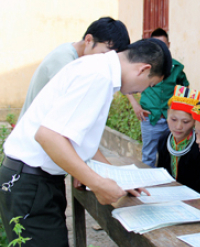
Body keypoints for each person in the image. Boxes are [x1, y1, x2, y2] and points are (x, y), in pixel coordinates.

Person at [0, 38, 172, 246]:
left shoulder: (99, 70)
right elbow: (49, 137)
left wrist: (115, 180)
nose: (142, 91)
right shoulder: (98, 76)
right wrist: (97, 184)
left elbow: (78, 141)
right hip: (31, 183)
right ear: (143, 70)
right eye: (149, 84)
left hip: (32, 181)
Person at [18, 17, 130, 120]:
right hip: (33, 135)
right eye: (103, 54)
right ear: (88, 40)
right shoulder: (64, 60)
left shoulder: (79, 58)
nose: (106, 62)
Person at [126, 28, 189, 167]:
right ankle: (147, 187)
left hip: (171, 121)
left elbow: (184, 89)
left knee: (172, 154)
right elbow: (126, 84)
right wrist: (135, 105)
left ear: (169, 45)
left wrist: (178, 114)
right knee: (149, 156)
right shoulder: (143, 67)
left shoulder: (177, 68)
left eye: (164, 45)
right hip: (150, 118)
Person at [156, 85, 200, 191]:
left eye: (185, 121)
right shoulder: (163, 140)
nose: (178, 127)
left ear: (195, 121)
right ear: (167, 115)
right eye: (173, 119)